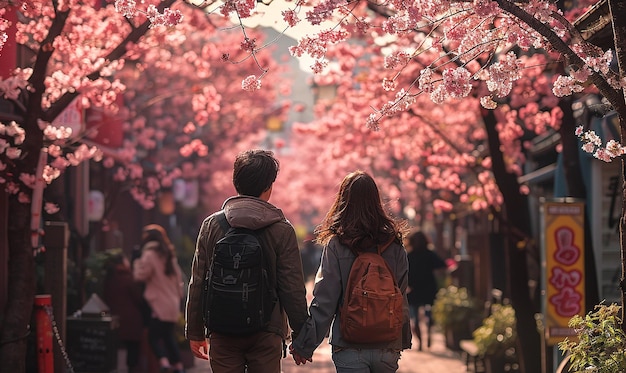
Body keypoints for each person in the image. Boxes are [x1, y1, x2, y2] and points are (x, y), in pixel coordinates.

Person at [185, 149, 309, 373]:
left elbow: (198, 281)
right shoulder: (282, 230)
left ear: (236, 182)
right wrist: (301, 336)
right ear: (268, 187)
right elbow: (292, 288)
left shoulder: (212, 226)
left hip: (221, 328)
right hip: (267, 330)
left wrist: (194, 331)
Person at [290, 170, 412, 372]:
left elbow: (325, 300)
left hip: (349, 342)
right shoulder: (394, 244)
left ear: (343, 200)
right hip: (387, 344)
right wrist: (402, 338)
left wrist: (305, 344)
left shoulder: (337, 244)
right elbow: (400, 296)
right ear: (376, 200)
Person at [133, 224, 185, 373]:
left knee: (153, 337)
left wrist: (136, 263)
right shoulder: (169, 254)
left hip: (158, 303)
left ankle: (164, 364)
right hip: (172, 302)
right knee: (168, 337)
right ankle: (179, 367)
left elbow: (141, 276)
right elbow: (178, 278)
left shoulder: (149, 254)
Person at [405, 230, 448, 351]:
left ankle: (420, 342)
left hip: (414, 290)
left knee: (415, 319)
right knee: (428, 313)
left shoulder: (409, 256)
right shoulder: (430, 254)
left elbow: (404, 272)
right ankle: (428, 331)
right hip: (429, 289)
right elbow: (442, 264)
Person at [103, 251, 144, 373]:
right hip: (131, 320)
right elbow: (138, 297)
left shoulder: (109, 278)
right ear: (122, 263)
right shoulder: (128, 277)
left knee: (115, 350)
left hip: (114, 319)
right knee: (132, 351)